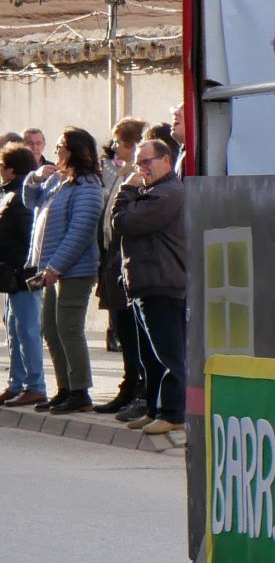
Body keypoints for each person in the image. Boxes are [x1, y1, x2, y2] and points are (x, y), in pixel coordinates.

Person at [113, 134, 186, 435]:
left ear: (166, 160)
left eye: (146, 161)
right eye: (138, 163)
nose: (141, 168)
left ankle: (174, 412)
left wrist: (127, 188)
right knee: (150, 357)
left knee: (169, 355)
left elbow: (124, 222)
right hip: (146, 284)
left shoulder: (168, 192)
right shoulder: (153, 191)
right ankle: (155, 409)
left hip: (162, 283)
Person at [29, 128, 105, 413]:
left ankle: (79, 390)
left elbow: (80, 231)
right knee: (50, 327)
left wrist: (56, 266)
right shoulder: (58, 180)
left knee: (69, 327)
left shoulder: (87, 185)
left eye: (61, 145)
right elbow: (31, 201)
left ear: (75, 150)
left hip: (75, 270)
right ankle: (64, 387)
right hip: (54, 270)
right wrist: (35, 178)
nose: (56, 150)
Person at [94, 116, 147, 411]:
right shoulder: (122, 173)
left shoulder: (136, 177)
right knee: (124, 329)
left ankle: (137, 387)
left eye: (119, 142)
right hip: (113, 258)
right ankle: (129, 385)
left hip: (124, 258)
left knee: (132, 329)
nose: (114, 147)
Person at [0, 145, 43, 407]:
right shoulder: (10, 194)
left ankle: (35, 385)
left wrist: (20, 268)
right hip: (12, 277)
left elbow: (31, 240)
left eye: (3, 165)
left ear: (12, 168)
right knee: (15, 333)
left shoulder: (21, 199)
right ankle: (16, 384)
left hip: (23, 276)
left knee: (27, 331)